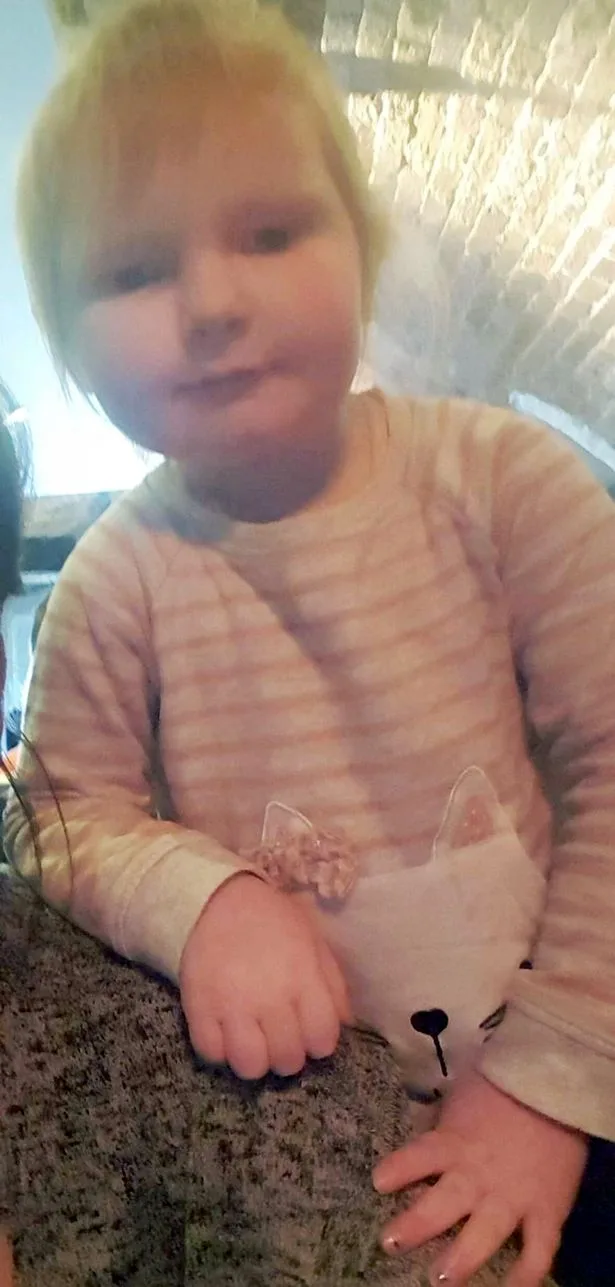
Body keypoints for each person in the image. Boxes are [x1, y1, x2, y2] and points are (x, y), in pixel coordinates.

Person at [5, 0, 615, 1282]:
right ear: (66, 341)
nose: (212, 302)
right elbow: (59, 820)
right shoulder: (114, 581)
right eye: (134, 271)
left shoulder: (508, 486)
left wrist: (550, 1080)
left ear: (363, 247)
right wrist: (203, 899)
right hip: (326, 1139)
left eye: (271, 233)